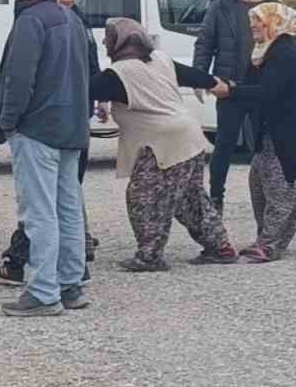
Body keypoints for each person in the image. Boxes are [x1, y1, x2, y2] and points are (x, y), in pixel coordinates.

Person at [0, 0, 93, 316]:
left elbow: (18, 79)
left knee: (39, 213)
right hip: (71, 127)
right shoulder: (71, 19)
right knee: (68, 209)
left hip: (38, 129)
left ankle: (44, 293)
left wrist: (7, 123)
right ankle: (70, 284)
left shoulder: (32, 20)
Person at [93, 19, 235, 271]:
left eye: (109, 37)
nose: (104, 41)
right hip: (189, 137)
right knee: (191, 198)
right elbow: (194, 76)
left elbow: (85, 89)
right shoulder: (160, 58)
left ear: (120, 42)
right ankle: (221, 247)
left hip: (162, 145)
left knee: (145, 199)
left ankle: (149, 257)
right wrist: (216, 84)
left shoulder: (119, 72)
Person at [221, 3, 296, 262]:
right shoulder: (263, 52)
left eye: (259, 20)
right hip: (274, 135)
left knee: (283, 191)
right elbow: (251, 88)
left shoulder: (284, 53)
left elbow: (269, 92)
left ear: (276, 23)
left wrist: (231, 91)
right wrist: (231, 89)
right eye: (252, 21)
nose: (253, 26)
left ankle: (270, 244)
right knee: (259, 185)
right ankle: (266, 239)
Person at [192, 0, 277, 215]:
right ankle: (216, 198)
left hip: (262, 88)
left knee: (265, 146)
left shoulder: (274, 5)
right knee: (224, 145)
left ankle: (271, 198)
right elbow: (205, 41)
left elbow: (286, 44)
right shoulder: (222, 5)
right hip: (229, 86)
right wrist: (199, 77)